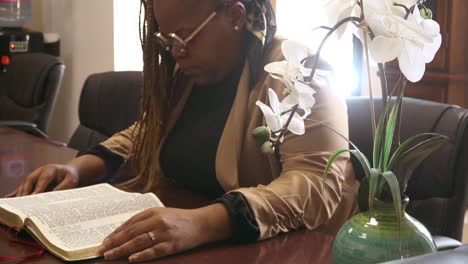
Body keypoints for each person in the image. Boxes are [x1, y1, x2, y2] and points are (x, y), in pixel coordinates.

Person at [7, 0, 359, 262]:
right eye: (167, 38)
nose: (175, 52)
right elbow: (147, 131)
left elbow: (315, 184)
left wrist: (204, 223)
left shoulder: (298, 71)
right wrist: (80, 166)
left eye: (184, 36)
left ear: (235, 16)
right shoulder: (189, 73)